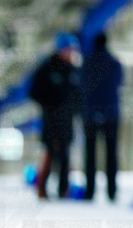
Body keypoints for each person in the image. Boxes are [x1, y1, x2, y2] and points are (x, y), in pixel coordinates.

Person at [28, 32, 81, 200]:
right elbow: (34, 92)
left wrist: (75, 110)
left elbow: (78, 95)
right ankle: (42, 189)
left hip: (66, 121)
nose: (71, 54)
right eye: (68, 50)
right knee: (50, 154)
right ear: (60, 50)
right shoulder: (46, 69)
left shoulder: (73, 71)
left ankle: (63, 191)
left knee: (65, 155)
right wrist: (49, 105)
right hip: (51, 120)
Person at [81, 32, 123, 202]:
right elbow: (119, 83)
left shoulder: (87, 63)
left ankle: (90, 190)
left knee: (90, 154)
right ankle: (111, 191)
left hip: (90, 113)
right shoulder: (114, 63)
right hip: (111, 113)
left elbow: (81, 86)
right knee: (111, 153)